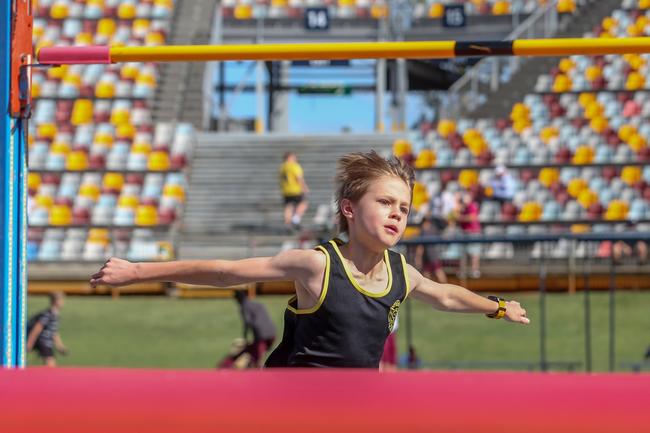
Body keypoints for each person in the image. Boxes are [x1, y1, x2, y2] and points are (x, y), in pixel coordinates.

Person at [90, 151, 530, 369]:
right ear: (349, 209)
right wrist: (137, 272)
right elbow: (227, 272)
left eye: (405, 208)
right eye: (386, 202)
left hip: (355, 412)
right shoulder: (317, 265)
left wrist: (497, 307)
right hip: (291, 409)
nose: (398, 213)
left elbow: (447, 296)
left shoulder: (402, 272)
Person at [26, 291, 68, 367]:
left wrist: (60, 346)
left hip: (48, 344)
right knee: (50, 364)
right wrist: (30, 343)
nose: (63, 302)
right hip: (43, 342)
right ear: (55, 301)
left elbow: (54, 332)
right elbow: (37, 329)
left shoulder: (56, 315)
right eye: (61, 300)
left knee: (50, 365)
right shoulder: (48, 314)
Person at [279, 152, 309, 229]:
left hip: (286, 190)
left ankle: (287, 223)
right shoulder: (294, 166)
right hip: (295, 189)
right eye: (294, 157)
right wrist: (304, 187)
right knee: (303, 204)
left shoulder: (282, 167)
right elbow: (298, 178)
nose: (295, 158)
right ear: (289, 157)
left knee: (288, 206)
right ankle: (295, 220)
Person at [413, 216, 448, 284]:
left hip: (432, 256)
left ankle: (445, 287)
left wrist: (418, 257)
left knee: (437, 272)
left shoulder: (429, 230)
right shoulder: (430, 230)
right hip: (428, 257)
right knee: (427, 274)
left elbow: (420, 247)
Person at [457, 192, 482, 278]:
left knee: (474, 253)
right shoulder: (463, 207)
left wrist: (460, 217)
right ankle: (462, 271)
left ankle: (475, 271)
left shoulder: (472, 205)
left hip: (473, 232)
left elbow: (473, 217)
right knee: (462, 253)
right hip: (465, 232)